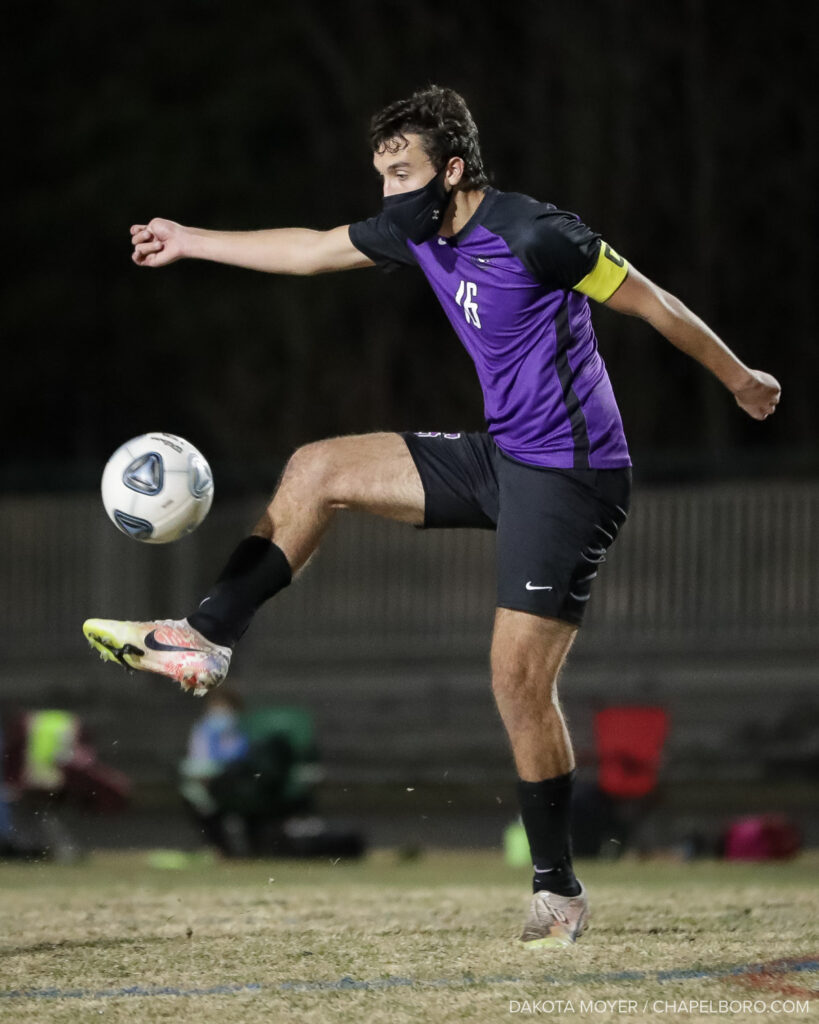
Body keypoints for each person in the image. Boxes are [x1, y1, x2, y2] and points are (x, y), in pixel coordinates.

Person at [83, 85, 780, 947]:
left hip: (574, 477)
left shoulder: (537, 233)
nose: (387, 192)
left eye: (402, 172)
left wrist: (739, 377)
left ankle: (556, 890)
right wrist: (188, 240)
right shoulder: (414, 230)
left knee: (516, 682)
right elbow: (308, 250)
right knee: (318, 468)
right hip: (504, 457)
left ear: (451, 171)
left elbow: (652, 301)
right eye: (380, 174)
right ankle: (205, 635)